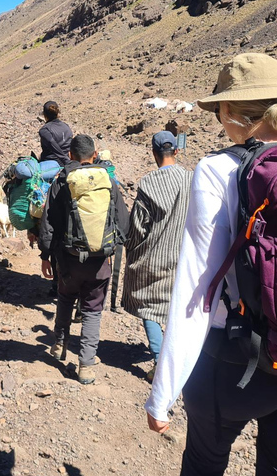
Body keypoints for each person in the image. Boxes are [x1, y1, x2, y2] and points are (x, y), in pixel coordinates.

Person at [145, 53, 277, 475]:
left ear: (231, 112)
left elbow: (199, 285)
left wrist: (163, 393)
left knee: (204, 462)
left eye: (220, 109)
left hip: (237, 364)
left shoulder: (219, 169)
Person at [38, 134, 129, 384]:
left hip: (68, 260)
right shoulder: (108, 181)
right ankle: (86, 365)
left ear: (70, 155)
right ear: (95, 153)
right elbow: (123, 223)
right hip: (100, 262)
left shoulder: (61, 181)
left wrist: (46, 256)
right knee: (92, 310)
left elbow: (49, 223)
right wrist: (110, 247)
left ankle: (59, 345)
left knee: (66, 298)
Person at [122, 131, 192, 377]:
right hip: (183, 257)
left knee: (149, 306)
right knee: (177, 308)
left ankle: (161, 361)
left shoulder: (149, 183)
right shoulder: (191, 179)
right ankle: (180, 359)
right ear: (176, 151)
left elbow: (138, 226)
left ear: (154, 153)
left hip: (153, 257)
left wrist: (130, 246)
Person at [35, 100, 74, 297]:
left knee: (47, 214)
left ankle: (36, 231)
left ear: (44, 114)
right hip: (68, 164)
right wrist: (69, 162)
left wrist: (62, 161)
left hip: (51, 169)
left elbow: (52, 149)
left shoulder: (44, 130)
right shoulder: (67, 128)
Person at [38, 100, 73, 166]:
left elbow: (52, 143)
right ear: (57, 113)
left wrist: (65, 160)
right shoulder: (66, 126)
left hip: (50, 163)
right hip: (67, 161)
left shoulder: (45, 130)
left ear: (44, 115)